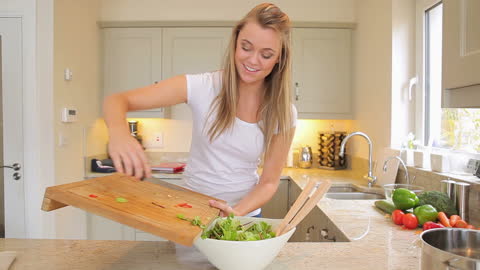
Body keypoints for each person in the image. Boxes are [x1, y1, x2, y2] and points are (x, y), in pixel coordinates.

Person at [103, 3, 297, 217]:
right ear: (235, 43)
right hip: (191, 213)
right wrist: (119, 133)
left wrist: (233, 214)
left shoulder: (284, 112)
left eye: (266, 54)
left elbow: (268, 183)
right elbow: (116, 100)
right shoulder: (203, 86)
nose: (252, 60)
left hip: (243, 216)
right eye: (246, 47)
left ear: (279, 58)